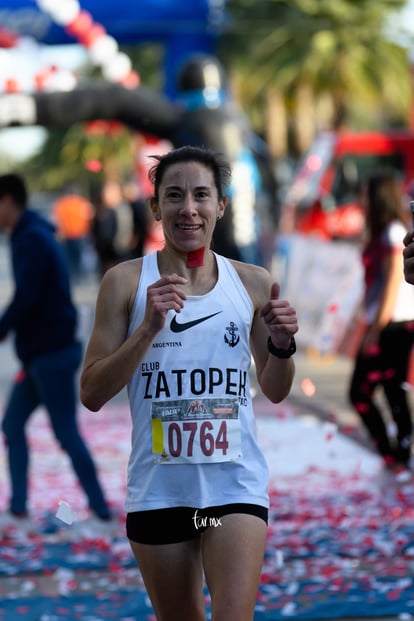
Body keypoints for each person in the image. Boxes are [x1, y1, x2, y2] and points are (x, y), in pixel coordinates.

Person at [80, 145, 298, 621]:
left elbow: (276, 388)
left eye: (202, 195)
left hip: (233, 490)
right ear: (155, 207)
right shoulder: (125, 283)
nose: (188, 208)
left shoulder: (252, 283)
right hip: (160, 491)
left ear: (221, 204)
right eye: (174, 196)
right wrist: (148, 330)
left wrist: (281, 345)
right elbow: (91, 393)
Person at [0, 174, 113, 537]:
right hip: (40, 354)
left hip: (51, 353)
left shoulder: (31, 238)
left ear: (8, 201)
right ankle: (18, 512)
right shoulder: (29, 234)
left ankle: (102, 515)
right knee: (13, 424)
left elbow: (27, 298)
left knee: (66, 433)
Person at [348, 171, 414, 471]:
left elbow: (391, 284)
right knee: (385, 391)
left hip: (395, 324)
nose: (362, 201)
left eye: (366, 194)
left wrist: (375, 330)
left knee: (375, 391)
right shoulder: (380, 232)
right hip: (384, 323)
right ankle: (394, 455)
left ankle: (397, 454)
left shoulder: (392, 232)